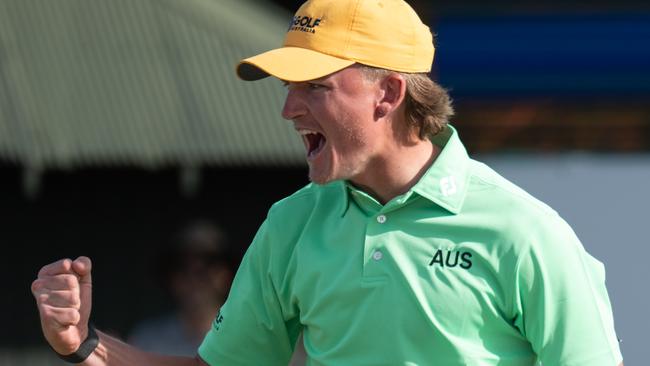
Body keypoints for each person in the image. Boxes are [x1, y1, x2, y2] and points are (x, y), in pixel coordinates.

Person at [31, 0, 624, 365]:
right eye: (288, 89)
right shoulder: (290, 224)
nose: (288, 110)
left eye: (315, 86)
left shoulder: (524, 230)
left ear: (387, 94)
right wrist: (83, 345)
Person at [127, 220, 234, 357]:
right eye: (183, 265)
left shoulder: (248, 337)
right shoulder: (146, 340)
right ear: (171, 277)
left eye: (210, 263)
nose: (195, 274)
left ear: (228, 274)